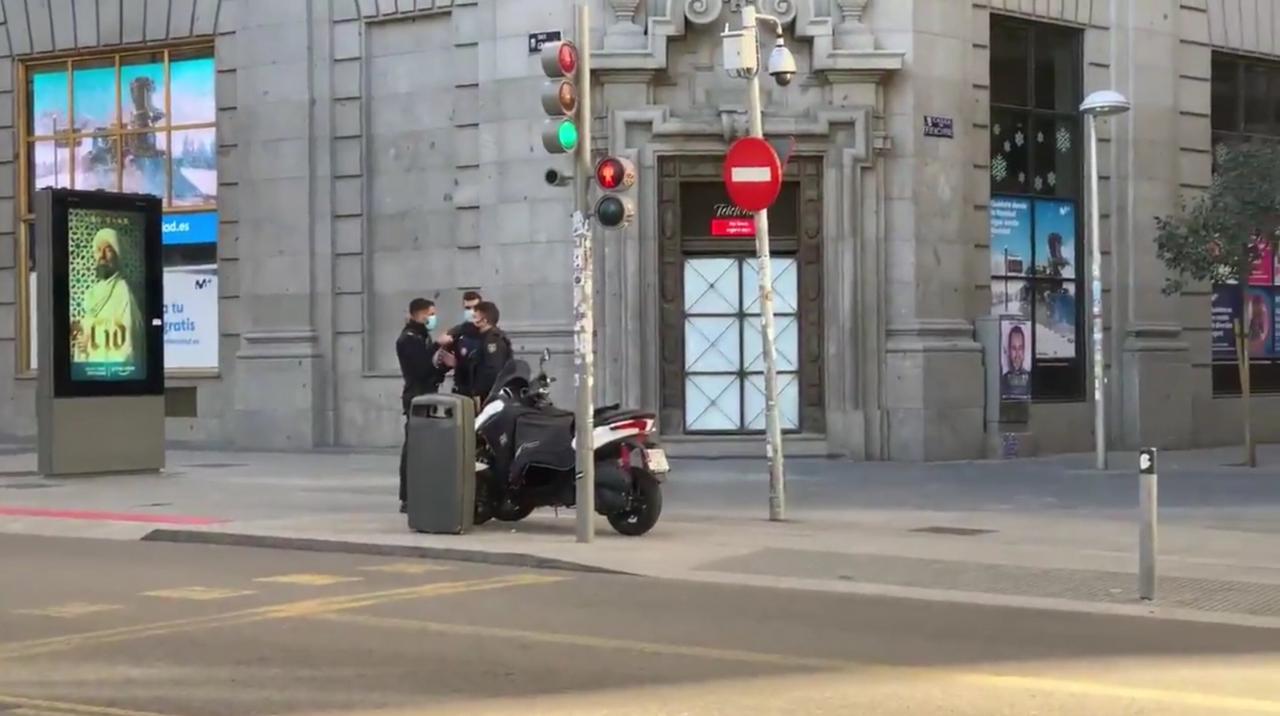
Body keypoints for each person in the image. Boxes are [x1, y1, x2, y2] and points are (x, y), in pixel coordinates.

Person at [396, 297, 451, 514]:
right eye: (430, 314)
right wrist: (438, 345)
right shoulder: (408, 339)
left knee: (425, 446)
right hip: (416, 397)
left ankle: (421, 492)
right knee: (413, 448)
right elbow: (419, 369)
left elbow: (429, 370)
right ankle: (407, 497)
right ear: (419, 314)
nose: (432, 318)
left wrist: (444, 367)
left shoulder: (420, 335)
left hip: (427, 393)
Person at [72, 228, 143, 370]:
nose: (102, 255)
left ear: (117, 256)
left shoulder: (123, 292)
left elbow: (127, 338)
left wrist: (91, 339)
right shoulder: (92, 294)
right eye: (98, 250)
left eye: (108, 250)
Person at [469, 301, 513, 401]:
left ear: (484, 321)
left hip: (489, 394)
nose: (472, 321)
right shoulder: (484, 338)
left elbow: (493, 370)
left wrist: (480, 392)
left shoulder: (493, 340)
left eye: (475, 317)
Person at [444, 291, 484, 398]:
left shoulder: (489, 332)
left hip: (483, 390)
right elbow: (442, 361)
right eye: (467, 308)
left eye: (475, 307)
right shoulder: (457, 332)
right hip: (462, 390)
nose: (471, 312)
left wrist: (458, 363)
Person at [1000, 324, 1031, 400]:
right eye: (1014, 348)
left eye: (1020, 348)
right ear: (1009, 351)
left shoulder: (1032, 379)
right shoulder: (1001, 381)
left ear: (1024, 350)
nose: (1017, 354)